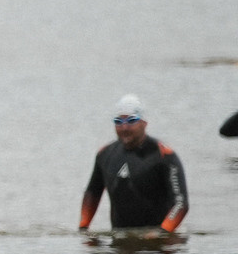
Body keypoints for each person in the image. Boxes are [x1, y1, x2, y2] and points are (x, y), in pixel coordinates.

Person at [80, 99, 188, 233]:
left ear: (144, 123)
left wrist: (162, 232)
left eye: (131, 121)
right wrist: (83, 227)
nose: (124, 127)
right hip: (119, 238)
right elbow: (92, 192)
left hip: (157, 239)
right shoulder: (105, 154)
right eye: (118, 122)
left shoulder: (163, 155)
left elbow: (180, 203)